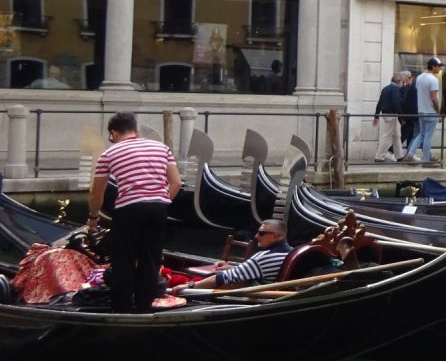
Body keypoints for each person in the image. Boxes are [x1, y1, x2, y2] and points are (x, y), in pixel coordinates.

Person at [86, 113, 182, 314]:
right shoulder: (161, 147)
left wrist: (93, 217)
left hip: (129, 209)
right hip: (158, 208)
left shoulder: (108, 154)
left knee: (124, 259)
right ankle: (144, 308)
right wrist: (161, 203)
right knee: (151, 259)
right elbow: (176, 183)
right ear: (135, 131)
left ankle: (121, 308)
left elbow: (97, 192)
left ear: (113, 132)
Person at [185, 220, 293, 289]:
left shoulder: (263, 258)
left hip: (255, 299)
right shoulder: (290, 252)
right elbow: (257, 270)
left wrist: (191, 286)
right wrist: (235, 268)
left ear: (276, 236)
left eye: (261, 233)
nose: (256, 236)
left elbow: (222, 278)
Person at [408, 58, 443, 165]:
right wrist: (438, 112)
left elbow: (420, 92)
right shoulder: (433, 80)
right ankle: (426, 160)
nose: (440, 68)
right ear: (433, 67)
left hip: (421, 111)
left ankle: (410, 153)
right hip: (430, 112)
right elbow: (434, 98)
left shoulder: (419, 78)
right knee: (428, 136)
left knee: (421, 134)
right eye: (438, 66)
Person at [373, 70, 408, 162]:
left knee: (397, 135)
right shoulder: (395, 89)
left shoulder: (385, 88)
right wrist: (402, 117)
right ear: (398, 81)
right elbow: (396, 103)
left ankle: (399, 155)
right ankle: (379, 156)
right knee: (387, 136)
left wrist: (376, 115)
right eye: (402, 82)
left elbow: (379, 103)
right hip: (392, 114)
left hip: (387, 114)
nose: (402, 84)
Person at [399, 70, 419, 159]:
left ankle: (409, 153)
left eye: (411, 78)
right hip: (407, 116)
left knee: (410, 135)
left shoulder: (413, 87)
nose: (411, 79)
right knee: (406, 135)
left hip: (412, 116)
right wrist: (402, 117)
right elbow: (402, 102)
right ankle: (408, 154)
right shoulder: (404, 88)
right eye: (409, 78)